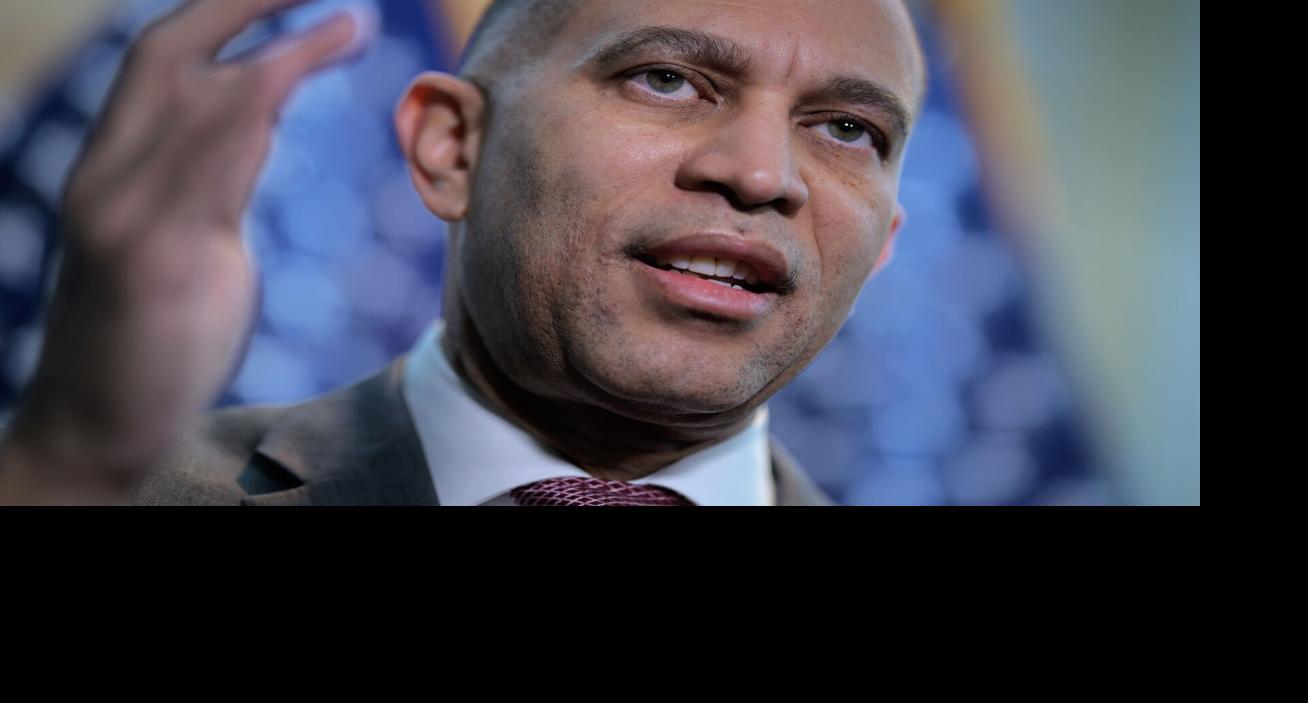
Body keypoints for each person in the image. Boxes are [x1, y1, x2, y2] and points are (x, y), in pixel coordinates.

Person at [0, 0, 925, 505]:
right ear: (453, 148)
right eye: (667, 79)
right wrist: (78, 458)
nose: (762, 175)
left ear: (881, 245)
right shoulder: (109, 487)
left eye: (847, 129)